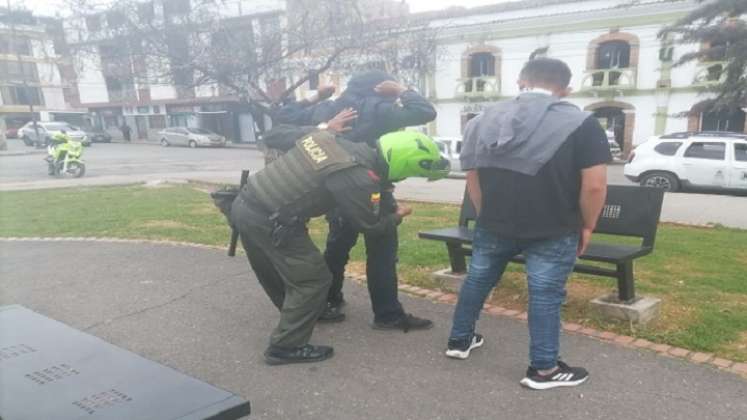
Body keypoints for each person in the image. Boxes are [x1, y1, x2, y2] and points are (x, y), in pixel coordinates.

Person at [445, 58, 611, 390]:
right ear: (565, 89)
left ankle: (459, 341)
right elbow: (594, 185)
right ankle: (544, 370)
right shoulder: (582, 124)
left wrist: (485, 213)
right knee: (545, 295)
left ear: (521, 81)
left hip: (494, 223)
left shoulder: (481, 121)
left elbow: (473, 177)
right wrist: (588, 225)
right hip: (553, 227)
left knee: (477, 280)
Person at [228, 128, 449, 365]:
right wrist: (397, 214)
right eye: (408, 174)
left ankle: (304, 314)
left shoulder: (333, 140)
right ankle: (285, 346)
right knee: (312, 280)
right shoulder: (357, 177)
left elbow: (275, 135)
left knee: (274, 270)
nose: (404, 179)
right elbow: (371, 226)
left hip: (245, 203)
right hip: (270, 221)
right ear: (402, 165)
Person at [273, 70, 438, 327]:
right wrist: (400, 90)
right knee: (382, 251)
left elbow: (283, 115)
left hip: (336, 188)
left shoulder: (331, 108)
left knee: (337, 247)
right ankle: (387, 314)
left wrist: (316, 95)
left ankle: (328, 300)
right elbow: (425, 111)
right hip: (373, 185)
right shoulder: (382, 109)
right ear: (379, 88)